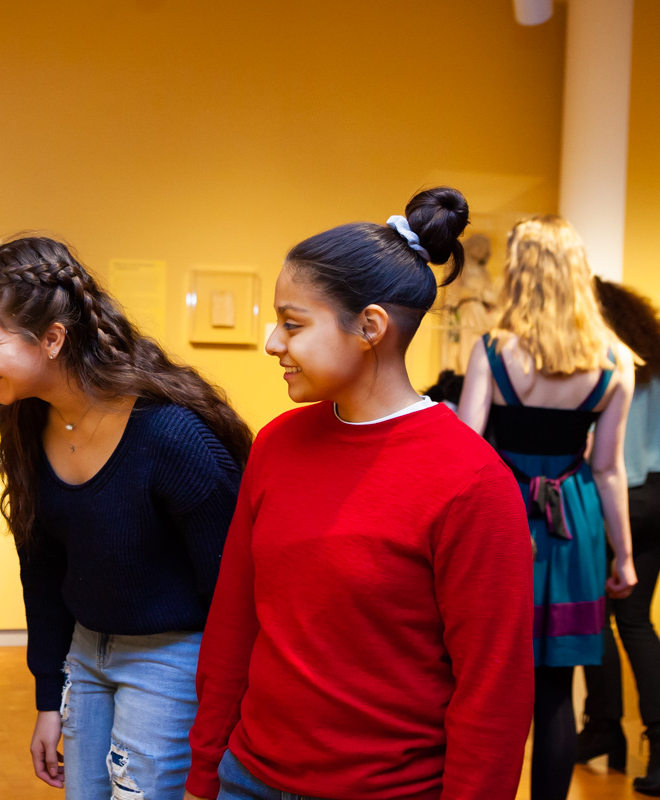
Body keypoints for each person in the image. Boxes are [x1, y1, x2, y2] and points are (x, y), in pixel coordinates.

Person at [185, 187, 535, 800]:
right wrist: (205, 770)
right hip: (249, 778)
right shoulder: (277, 444)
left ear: (370, 327)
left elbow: (493, 693)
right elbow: (234, 621)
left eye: (293, 324)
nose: (272, 343)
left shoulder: (471, 483)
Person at [0, 236, 251, 799]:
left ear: (51, 339)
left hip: (173, 658)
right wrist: (49, 697)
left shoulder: (172, 435)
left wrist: (220, 731)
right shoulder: (23, 421)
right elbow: (40, 573)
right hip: (85, 654)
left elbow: (233, 595)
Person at [456, 216, 637, 800]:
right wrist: (625, 559)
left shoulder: (491, 351)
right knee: (557, 687)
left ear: (520, 274)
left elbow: (466, 452)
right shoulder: (613, 362)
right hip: (574, 521)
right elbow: (609, 467)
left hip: (505, 517)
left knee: (484, 676)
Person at [577, 277, 660, 795]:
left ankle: (604, 728)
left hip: (619, 494)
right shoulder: (655, 356)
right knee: (633, 621)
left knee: (594, 617)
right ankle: (649, 742)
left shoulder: (605, 357)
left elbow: (596, 451)